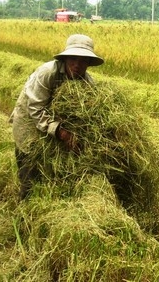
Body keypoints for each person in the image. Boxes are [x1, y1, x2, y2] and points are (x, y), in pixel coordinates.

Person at [9, 34, 104, 200]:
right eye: (73, 59)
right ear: (66, 58)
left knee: (53, 173)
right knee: (30, 174)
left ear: (89, 63)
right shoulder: (47, 73)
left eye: (83, 61)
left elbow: (88, 115)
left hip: (57, 125)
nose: (77, 64)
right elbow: (36, 109)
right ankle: (25, 212)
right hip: (29, 121)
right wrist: (62, 133)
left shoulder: (87, 83)